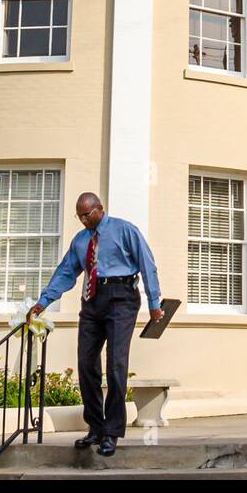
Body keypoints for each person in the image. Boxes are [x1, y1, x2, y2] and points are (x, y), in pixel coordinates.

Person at [29, 192, 162, 457]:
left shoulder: (124, 230)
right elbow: (66, 272)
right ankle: (96, 427)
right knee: (86, 363)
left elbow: (147, 265)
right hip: (91, 301)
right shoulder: (80, 241)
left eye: (86, 215)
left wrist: (154, 301)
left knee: (116, 364)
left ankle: (112, 432)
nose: (82, 220)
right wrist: (43, 302)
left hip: (122, 298)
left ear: (99, 209)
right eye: (79, 216)